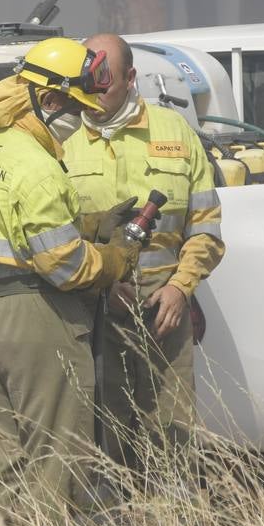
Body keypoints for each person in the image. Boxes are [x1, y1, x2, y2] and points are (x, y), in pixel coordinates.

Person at [0, 37, 136, 526]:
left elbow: (14, 229)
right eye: (75, 105)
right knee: (56, 452)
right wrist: (115, 259)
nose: (81, 117)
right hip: (37, 318)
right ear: (48, 99)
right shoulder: (38, 166)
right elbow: (65, 266)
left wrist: (87, 224)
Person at [63, 33, 225, 472]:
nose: (94, 92)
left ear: (131, 77)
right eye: (87, 82)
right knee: (102, 444)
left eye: (106, 82)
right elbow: (53, 240)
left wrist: (180, 288)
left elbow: (206, 227)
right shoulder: (60, 141)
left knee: (172, 442)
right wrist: (100, 288)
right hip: (94, 316)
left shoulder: (174, 132)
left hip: (164, 316)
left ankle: (172, 516)